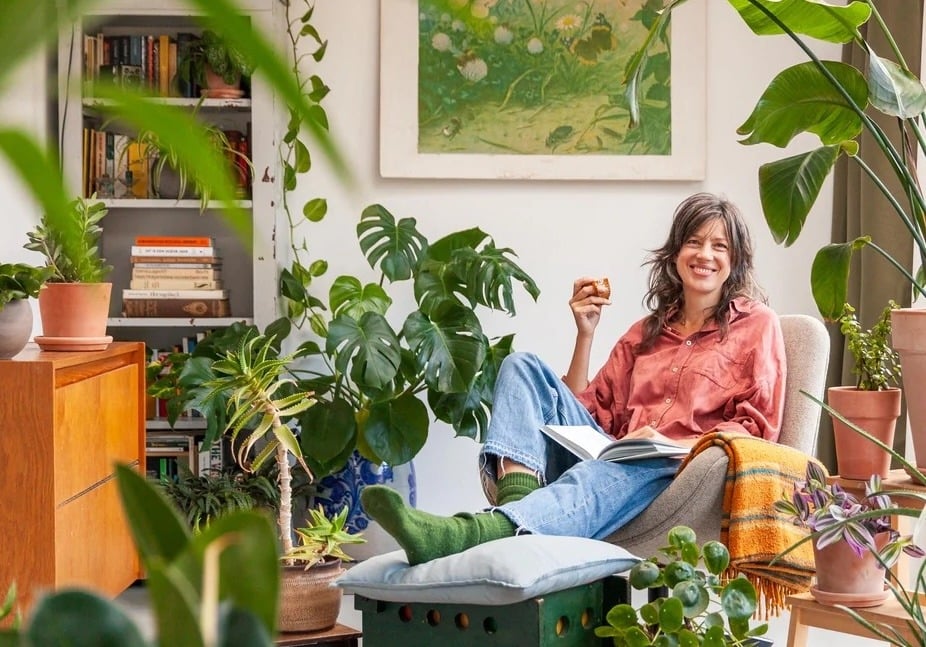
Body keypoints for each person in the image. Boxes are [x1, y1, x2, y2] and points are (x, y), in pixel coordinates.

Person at [361, 192, 786, 565]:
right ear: (675, 254)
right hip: (617, 455)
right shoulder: (646, 332)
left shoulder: (757, 326)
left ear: (734, 262)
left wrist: (668, 445)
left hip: (676, 471)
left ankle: (467, 534)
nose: (705, 255)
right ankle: (518, 514)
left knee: (617, 465)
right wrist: (586, 334)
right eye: (693, 242)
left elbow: (755, 428)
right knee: (522, 365)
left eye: (719, 246)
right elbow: (584, 412)